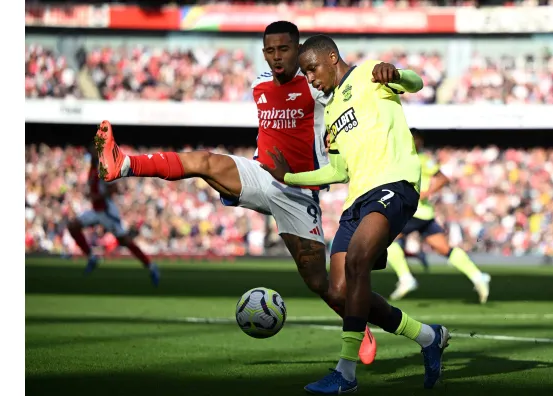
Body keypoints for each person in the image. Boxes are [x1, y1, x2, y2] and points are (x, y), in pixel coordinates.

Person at [92, 21, 378, 363]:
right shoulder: (259, 84)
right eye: (270, 50)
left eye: (284, 49)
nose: (276, 57)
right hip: (259, 174)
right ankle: (123, 164)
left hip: (298, 191)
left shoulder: (316, 86)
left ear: (298, 49)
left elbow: (348, 90)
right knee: (205, 161)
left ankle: (358, 324)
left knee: (319, 283)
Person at [261, 34, 450, 395]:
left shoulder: (369, 74)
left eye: (312, 69)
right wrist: (288, 176)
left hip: (395, 183)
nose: (311, 79)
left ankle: (345, 373)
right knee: (342, 290)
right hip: (358, 197)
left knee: (358, 261)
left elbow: (416, 82)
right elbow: (337, 171)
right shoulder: (330, 112)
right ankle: (429, 336)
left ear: (332, 58)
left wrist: (395, 73)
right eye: (305, 73)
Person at [387, 128, 491, 303]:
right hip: (424, 214)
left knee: (387, 240)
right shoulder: (406, 158)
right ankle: (477, 276)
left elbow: (443, 178)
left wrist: (427, 192)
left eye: (416, 139)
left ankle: (406, 278)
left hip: (413, 211)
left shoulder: (418, 159)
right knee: (444, 248)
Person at [67, 145, 160, 285]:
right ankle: (92, 258)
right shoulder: (92, 168)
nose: (91, 152)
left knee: (125, 241)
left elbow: (113, 188)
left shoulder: (104, 168)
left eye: (94, 150)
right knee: (73, 226)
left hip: (106, 211)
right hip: (96, 210)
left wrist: (97, 196)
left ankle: (151, 266)